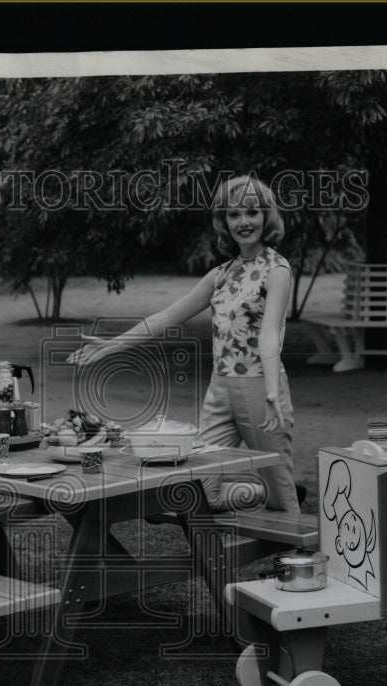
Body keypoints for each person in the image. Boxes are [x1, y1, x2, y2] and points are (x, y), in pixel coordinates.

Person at [67, 174, 301, 514]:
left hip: (259, 389)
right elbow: (165, 317)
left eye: (252, 212)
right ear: (224, 222)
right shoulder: (221, 274)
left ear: (266, 216)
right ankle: (255, 492)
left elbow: (269, 334)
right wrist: (111, 346)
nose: (243, 222)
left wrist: (270, 391)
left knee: (281, 494)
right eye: (233, 215)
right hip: (220, 392)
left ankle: (296, 562)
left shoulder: (276, 269)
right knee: (199, 490)